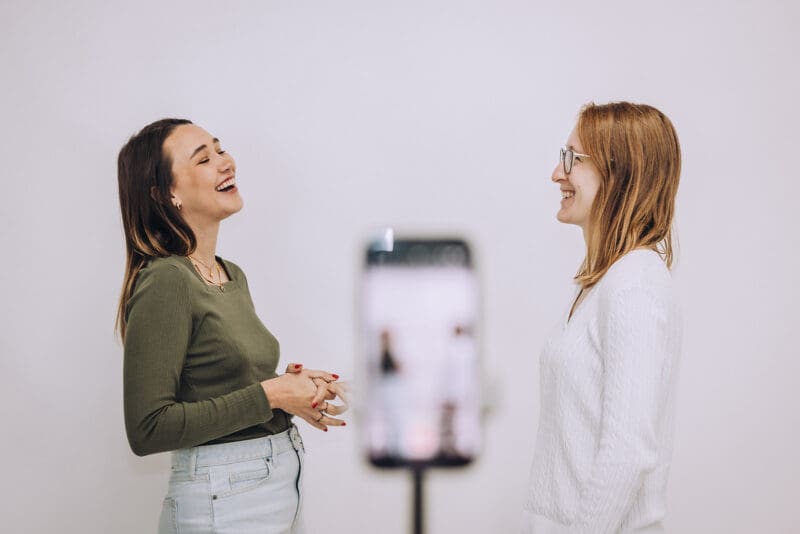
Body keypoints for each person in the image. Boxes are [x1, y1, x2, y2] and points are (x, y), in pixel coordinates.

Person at [116, 118, 348, 534]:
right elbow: (147, 428)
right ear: (166, 193)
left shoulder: (230, 274)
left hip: (276, 485)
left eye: (220, 150)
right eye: (203, 159)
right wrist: (272, 394)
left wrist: (291, 390)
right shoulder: (167, 279)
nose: (226, 163)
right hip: (223, 500)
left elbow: (225, 387)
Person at [521, 102, 683, 533]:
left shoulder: (635, 283)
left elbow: (628, 451)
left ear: (618, 172)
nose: (558, 173)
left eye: (573, 158)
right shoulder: (604, 282)